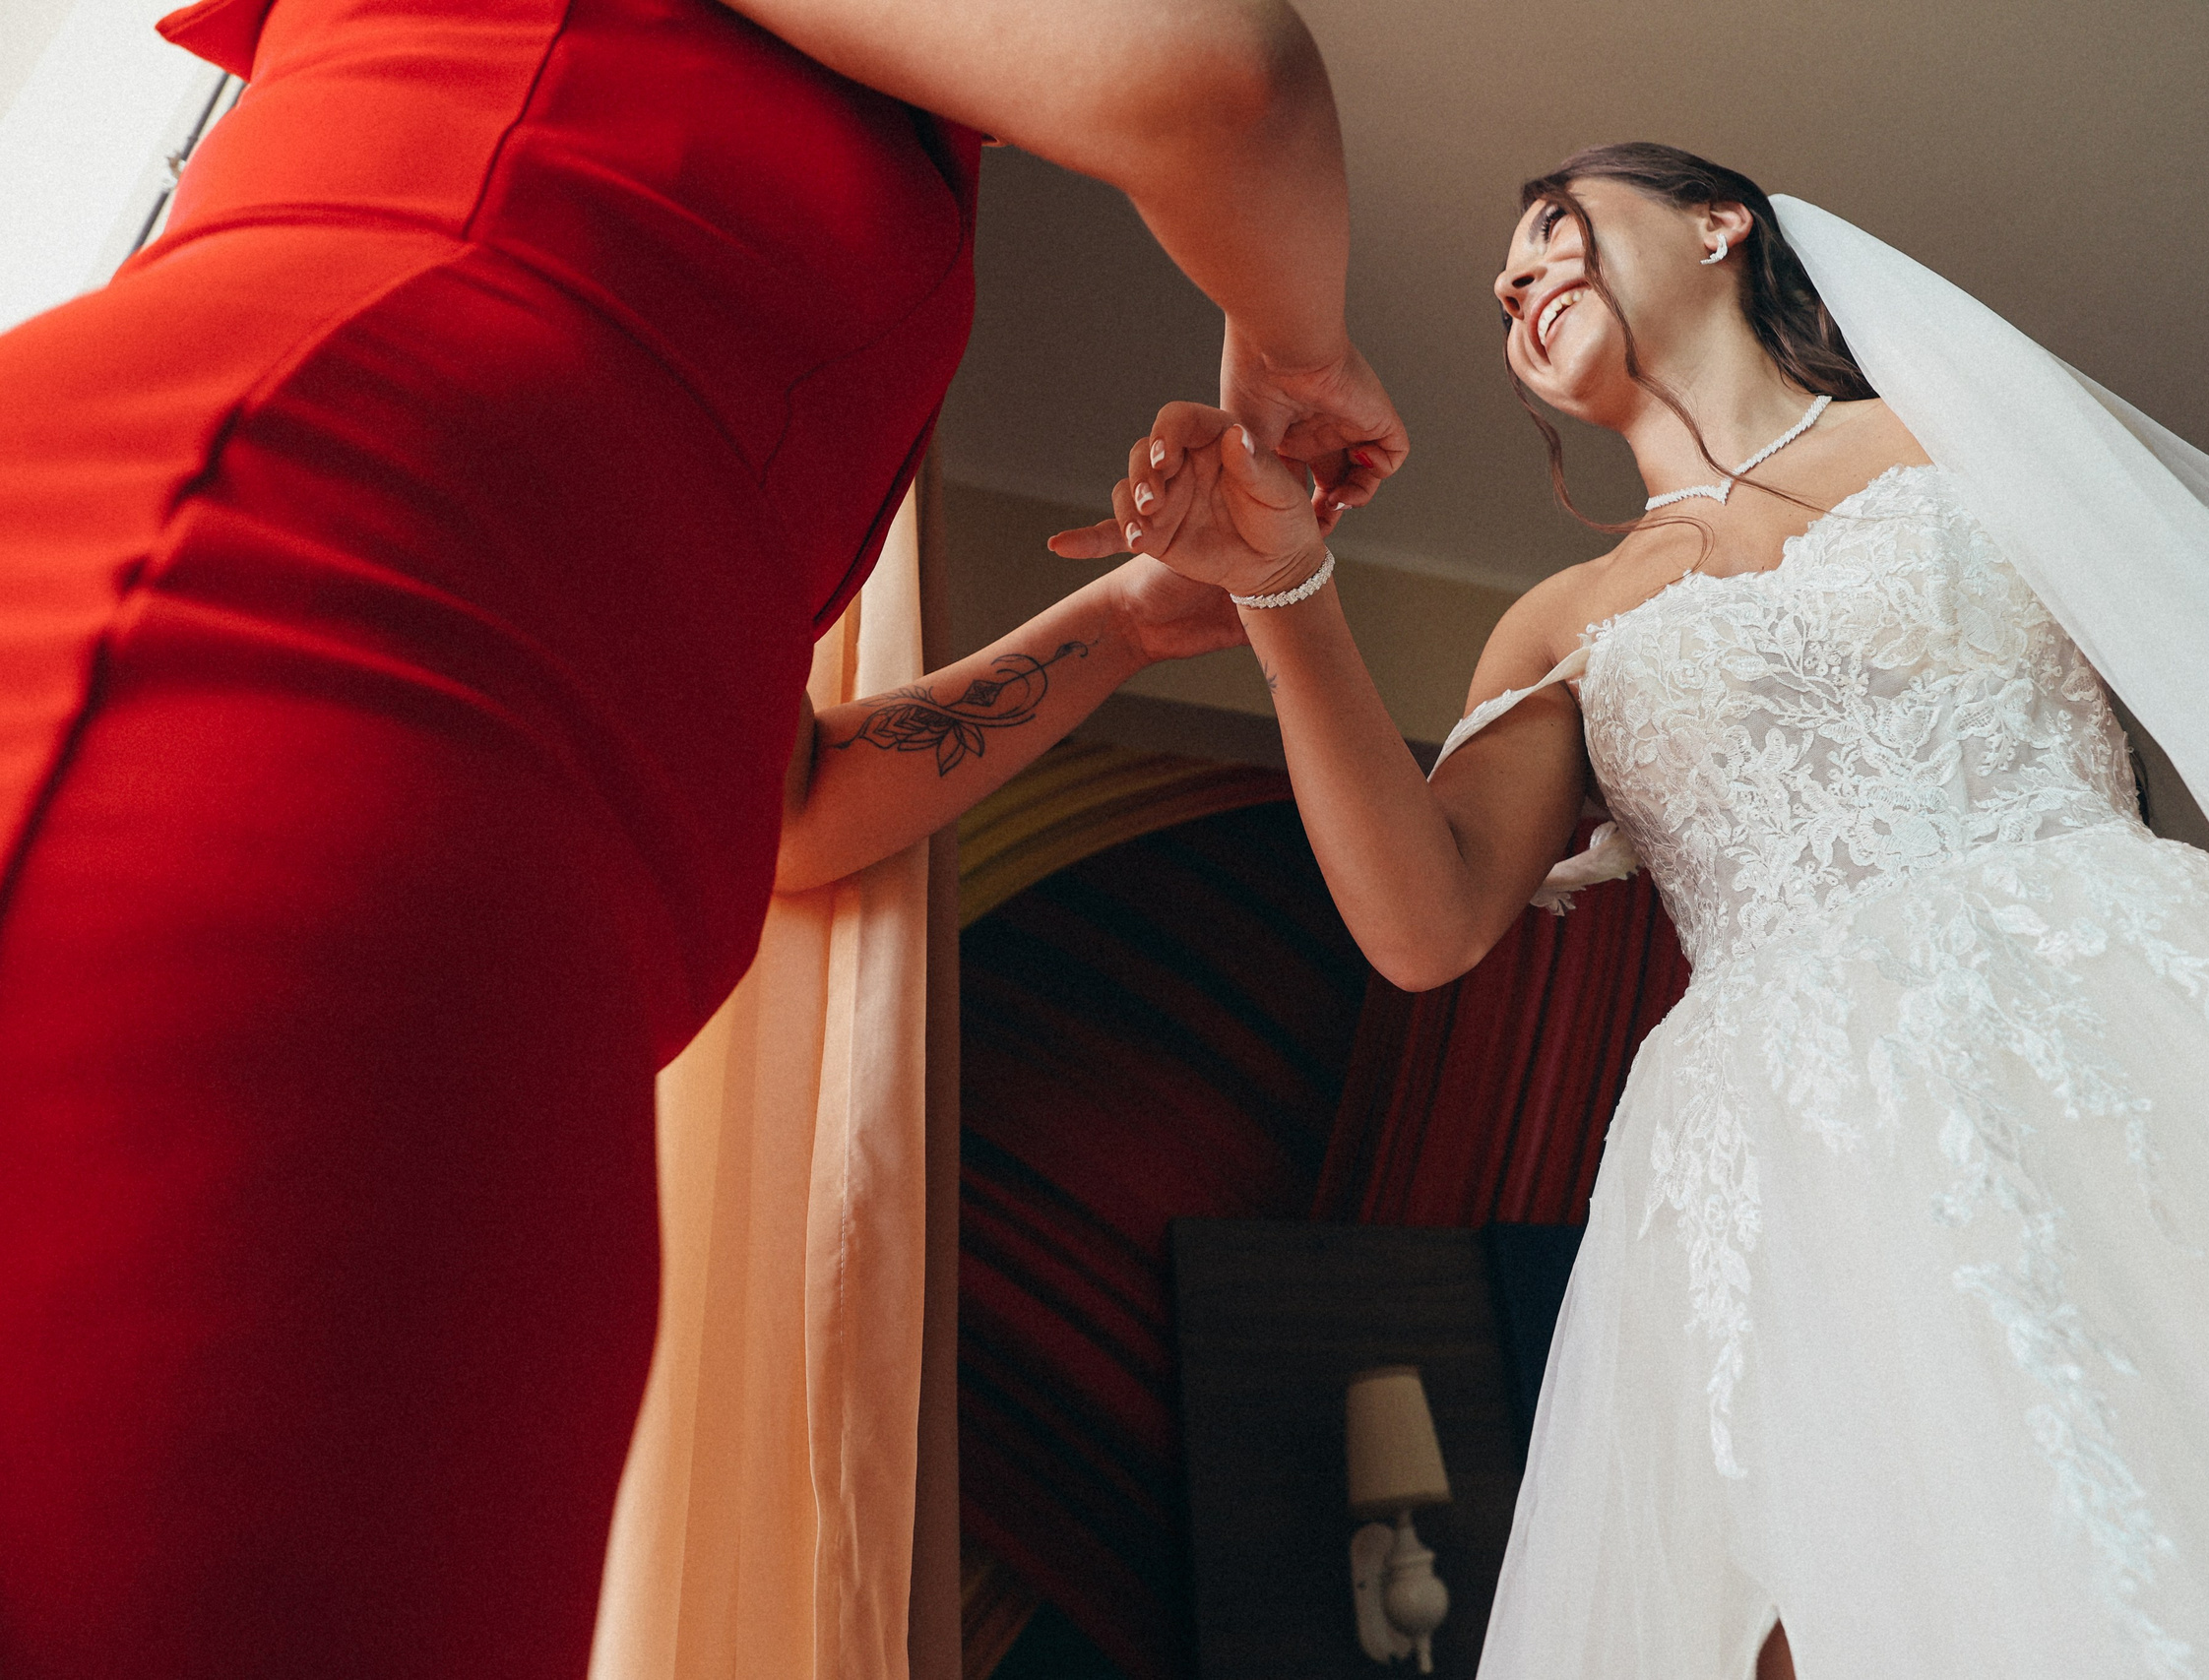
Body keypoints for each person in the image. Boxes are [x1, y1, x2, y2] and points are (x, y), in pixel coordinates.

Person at [0, 0, 1403, 1672]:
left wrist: (1122, 620)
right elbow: (1227, 91)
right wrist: (1295, 364)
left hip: (518, 913)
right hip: (277, 628)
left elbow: (785, 813)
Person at [1056, 144, 2209, 1676]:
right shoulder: (1562, 621)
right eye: (1504, 283)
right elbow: (1425, 925)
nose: (1514, 279)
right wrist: (1287, 594)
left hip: (2156, 1057)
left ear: (1719, 223)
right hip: (1817, 1184)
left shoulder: (1972, 438)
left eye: (1554, 228)